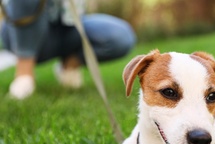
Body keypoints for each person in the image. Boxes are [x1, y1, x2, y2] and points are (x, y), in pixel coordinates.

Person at [0, 0, 137, 99]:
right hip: (20, 29)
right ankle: (24, 75)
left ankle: (69, 65)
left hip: (70, 24)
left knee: (121, 37)